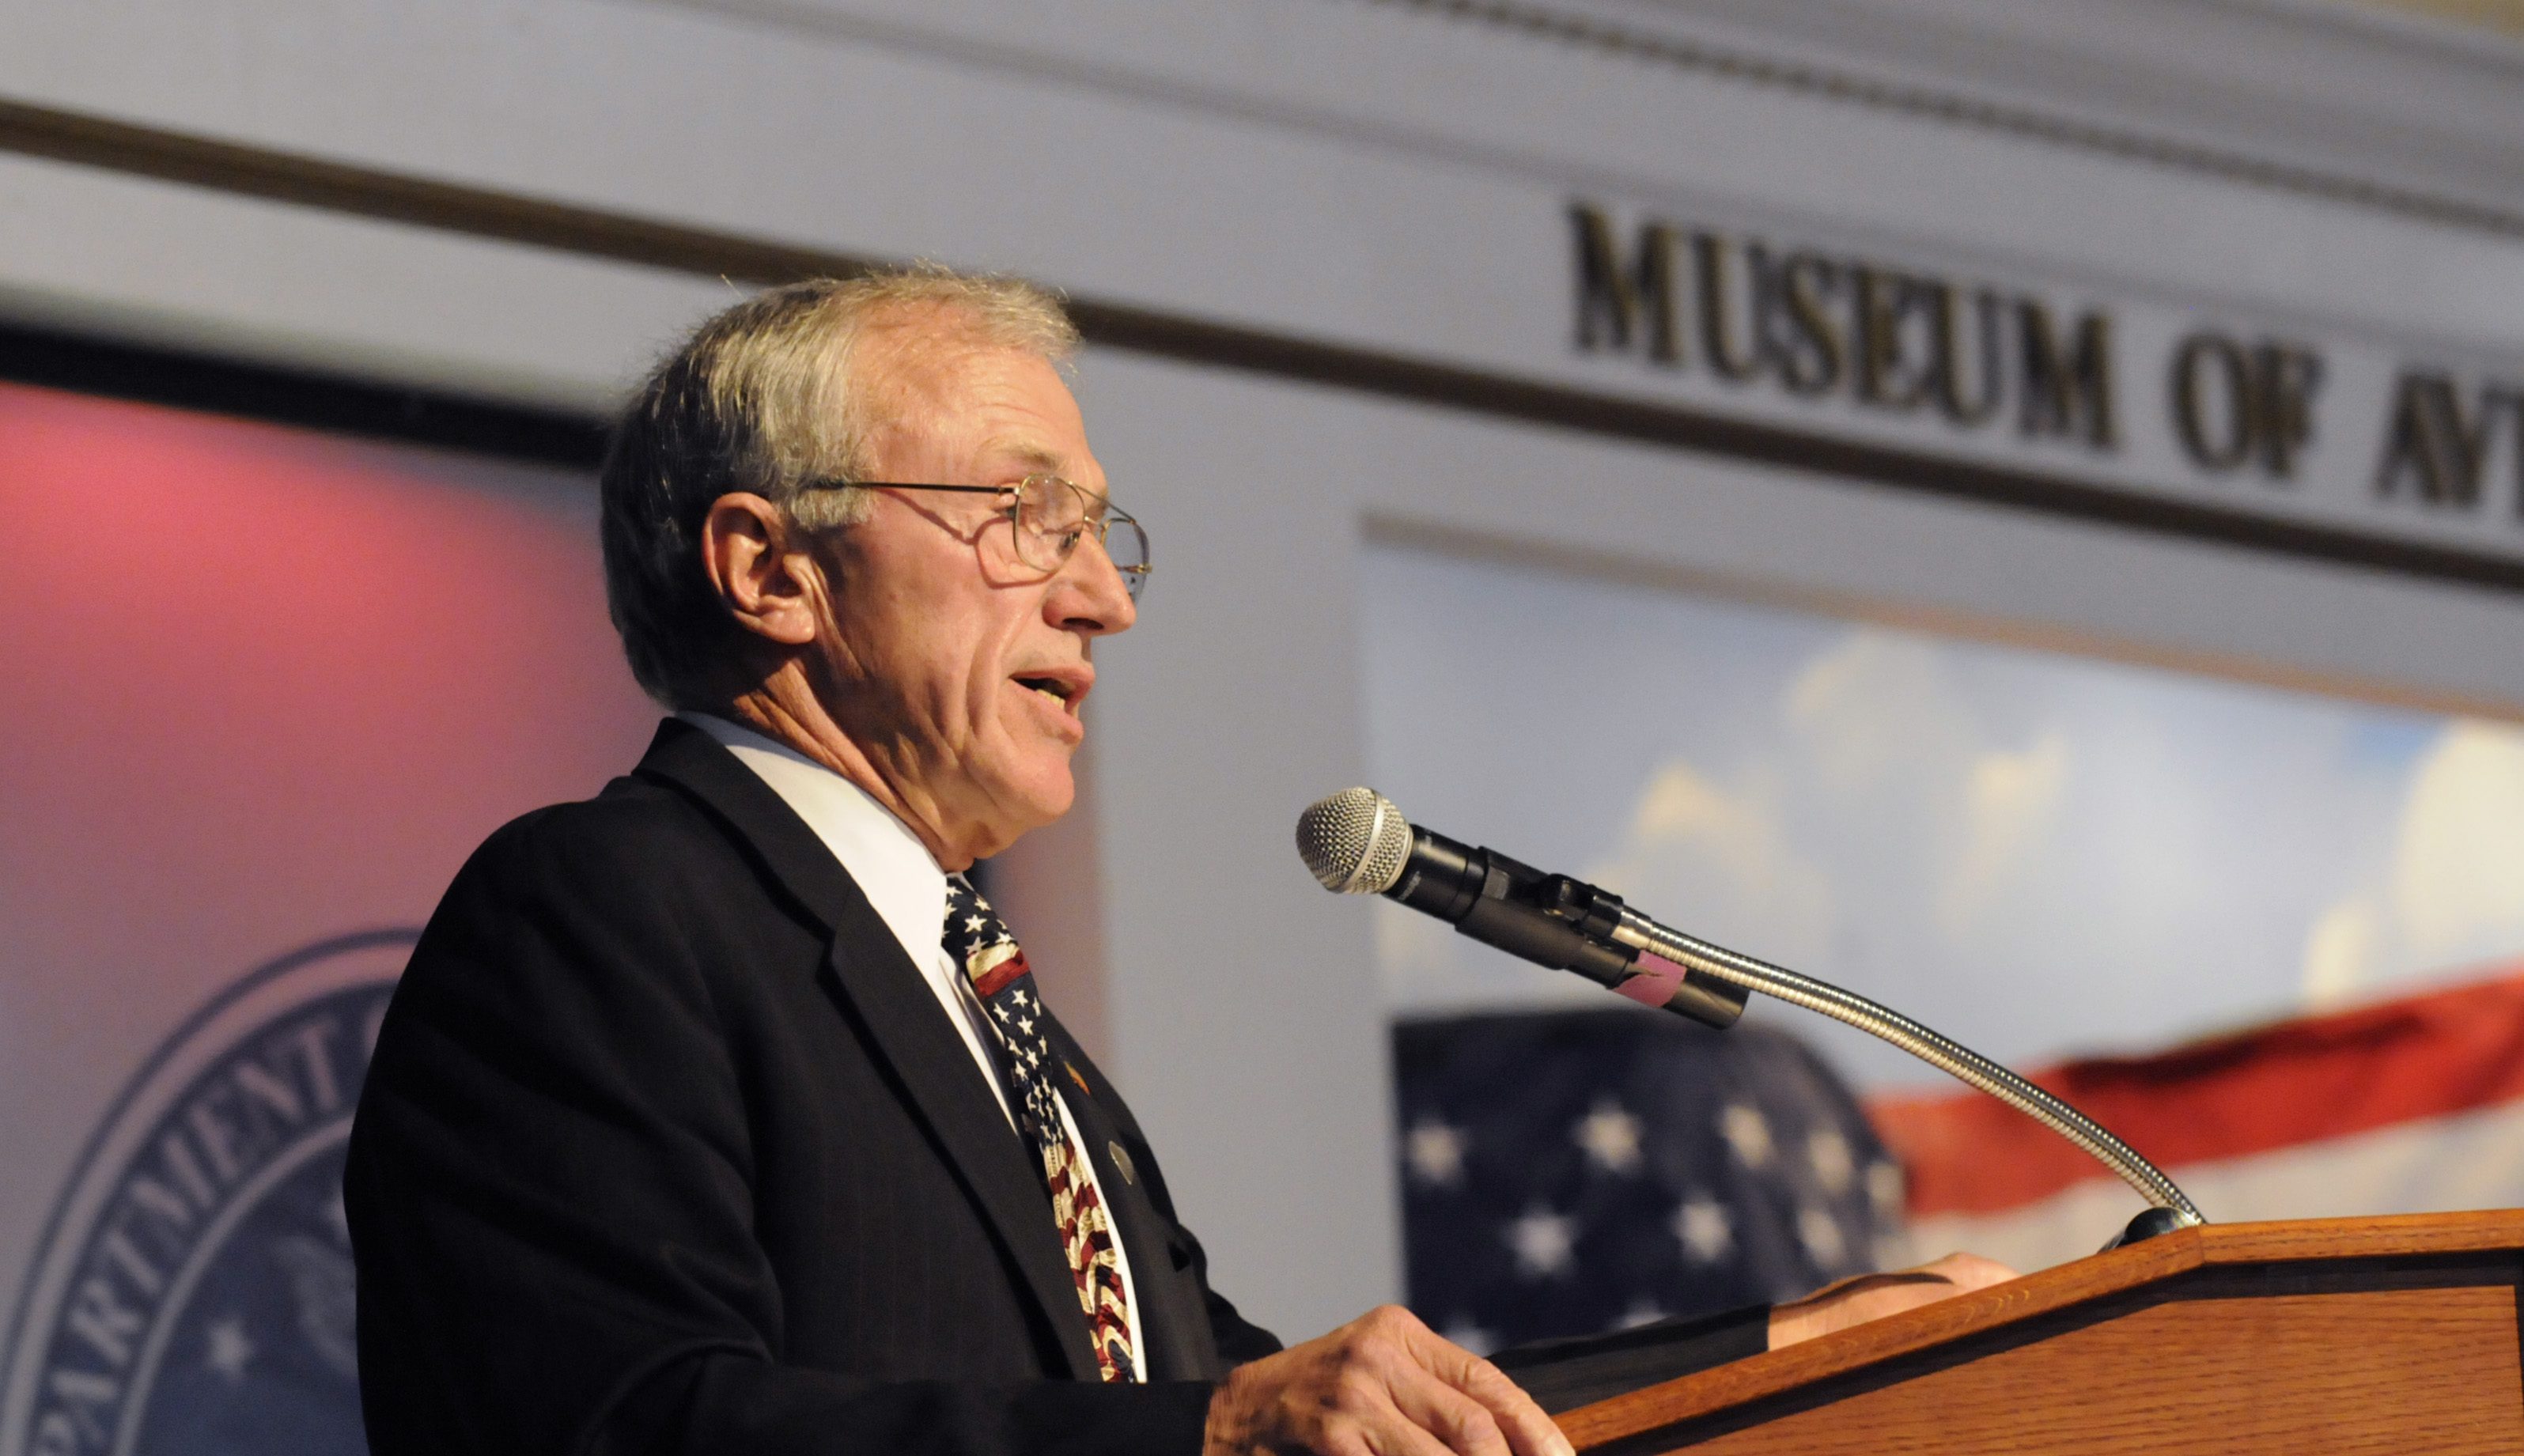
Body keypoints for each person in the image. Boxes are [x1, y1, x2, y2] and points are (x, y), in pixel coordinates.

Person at [344, 267, 2009, 1456]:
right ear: (771, 569)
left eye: (1100, 534)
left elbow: (1316, 1417)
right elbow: (617, 1423)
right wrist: (1214, 1436)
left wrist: (1781, 1354)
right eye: (1026, 517)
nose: (1102, 600)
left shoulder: (993, 1008)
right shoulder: (599, 912)